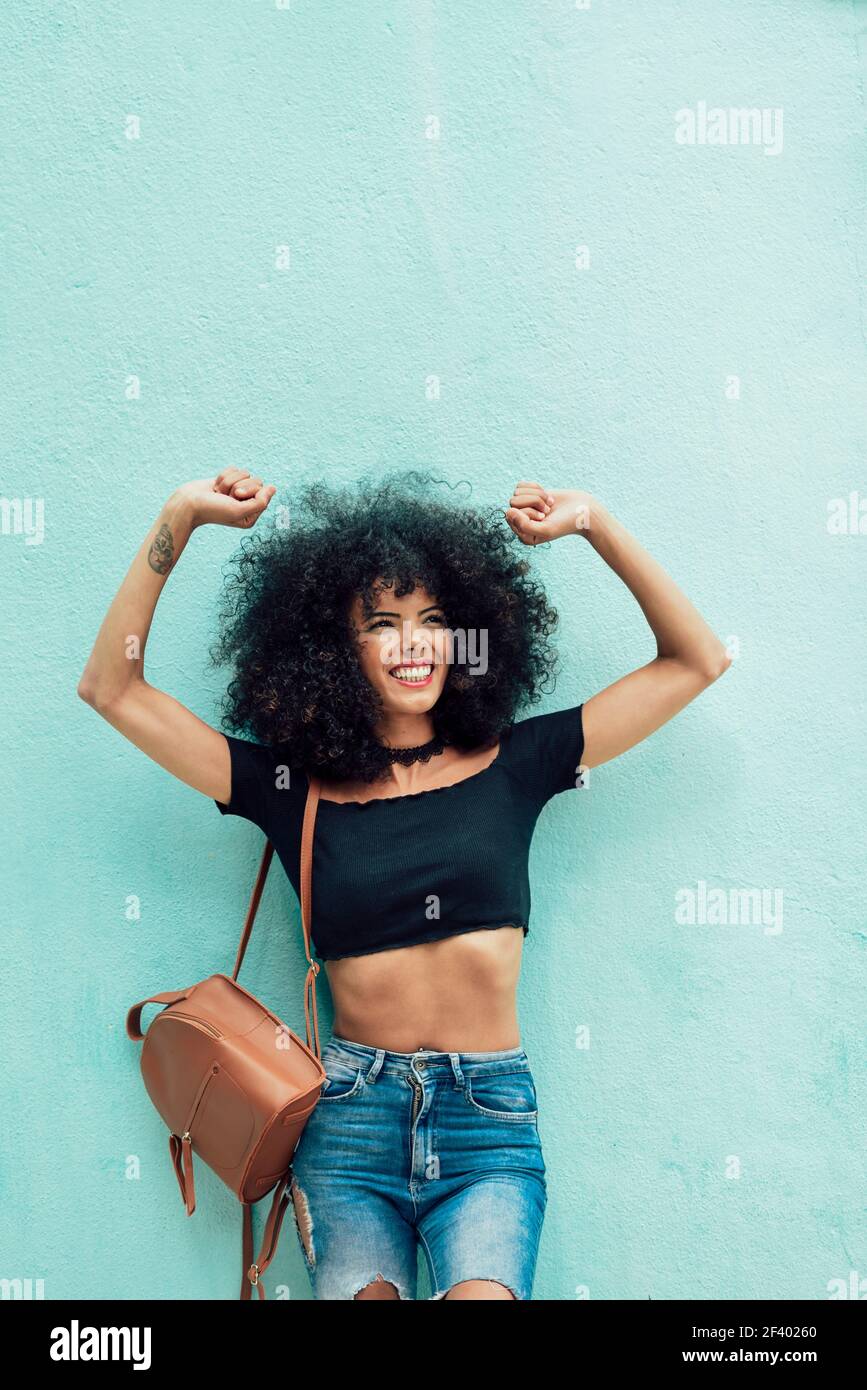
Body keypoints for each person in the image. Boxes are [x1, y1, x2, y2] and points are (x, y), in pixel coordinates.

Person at [78, 469, 730, 1300]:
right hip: (349, 1125)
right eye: (381, 625)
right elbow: (113, 688)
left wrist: (593, 523)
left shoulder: (518, 763)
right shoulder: (291, 790)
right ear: (334, 650)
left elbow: (695, 660)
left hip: (487, 1125)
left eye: (431, 622)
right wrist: (180, 517)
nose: (412, 643)